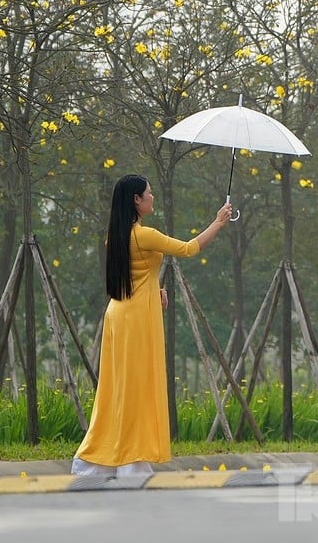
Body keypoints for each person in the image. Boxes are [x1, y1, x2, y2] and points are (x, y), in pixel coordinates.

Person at [72, 174, 231, 476]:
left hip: (119, 313)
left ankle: (102, 459)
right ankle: (131, 458)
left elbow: (133, 273)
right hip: (137, 320)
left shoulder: (116, 236)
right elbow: (188, 248)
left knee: (118, 390)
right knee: (137, 389)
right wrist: (219, 221)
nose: (153, 196)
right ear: (136, 200)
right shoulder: (144, 235)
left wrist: (154, 287)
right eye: (148, 193)